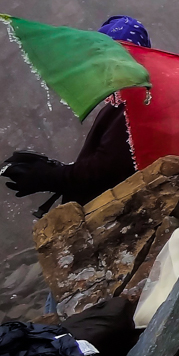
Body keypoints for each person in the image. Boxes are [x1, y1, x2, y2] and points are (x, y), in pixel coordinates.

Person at [1, 16, 151, 215]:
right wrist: (58, 170)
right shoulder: (125, 100)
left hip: (114, 216)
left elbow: (108, 168)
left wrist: (52, 176)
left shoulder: (137, 100)